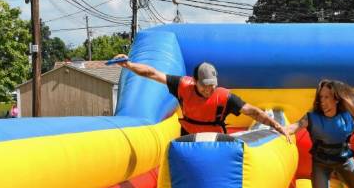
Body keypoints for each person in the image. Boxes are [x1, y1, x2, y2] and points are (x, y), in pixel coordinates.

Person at [113, 54, 289, 139]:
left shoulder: (226, 97)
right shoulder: (182, 85)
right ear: (195, 80)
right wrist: (128, 64)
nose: (209, 89)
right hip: (189, 137)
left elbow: (253, 112)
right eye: (205, 85)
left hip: (215, 141)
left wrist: (276, 125)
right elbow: (152, 73)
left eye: (213, 85)